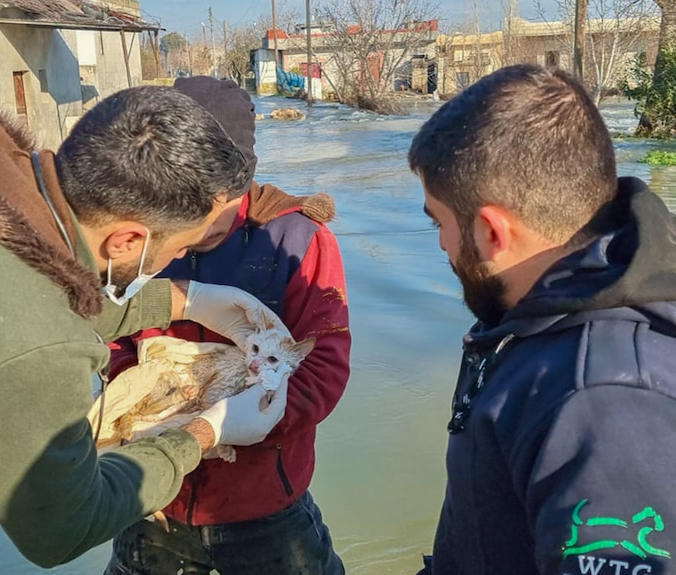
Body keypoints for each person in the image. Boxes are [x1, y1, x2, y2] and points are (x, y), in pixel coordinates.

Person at [0, 72, 293, 574]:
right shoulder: (32, 346)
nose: (181, 258)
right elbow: (63, 525)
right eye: (181, 248)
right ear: (128, 241)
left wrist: (185, 299)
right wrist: (200, 433)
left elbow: (3, 291)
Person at [409, 63, 676, 575]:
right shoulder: (542, 316)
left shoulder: (602, 401)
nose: (441, 243)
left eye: (438, 221)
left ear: (491, 231)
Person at [103, 76, 351, 575]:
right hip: (155, 494)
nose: (183, 229)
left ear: (235, 179)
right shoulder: (139, 235)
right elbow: (114, 343)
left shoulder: (297, 239)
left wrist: (247, 423)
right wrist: (139, 420)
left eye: (201, 205)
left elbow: (324, 365)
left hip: (264, 501)